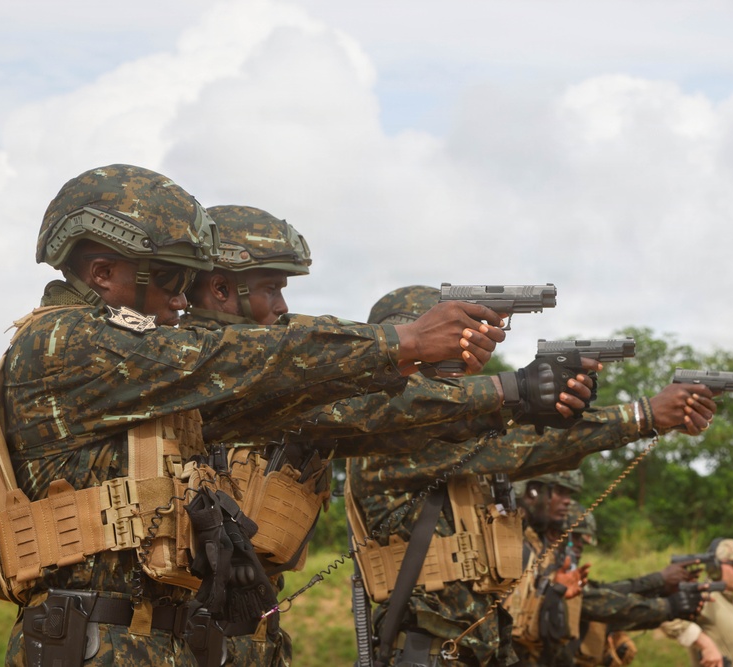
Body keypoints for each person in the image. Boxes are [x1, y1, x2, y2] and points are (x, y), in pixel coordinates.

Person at [0, 164, 507, 667]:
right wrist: (401, 340)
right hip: (94, 639)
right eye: (170, 280)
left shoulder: (137, 370)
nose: (183, 300)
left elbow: (284, 392)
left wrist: (432, 368)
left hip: (150, 641)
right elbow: (232, 359)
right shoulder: (65, 342)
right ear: (104, 273)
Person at [182, 206, 594, 666]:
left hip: (244, 631)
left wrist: (515, 400)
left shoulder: (268, 375)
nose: (281, 307)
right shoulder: (194, 365)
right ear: (220, 288)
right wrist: (513, 392)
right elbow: (386, 410)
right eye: (270, 289)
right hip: (188, 630)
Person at [344, 285, 719, 667]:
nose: (460, 351)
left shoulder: (445, 434)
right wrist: (641, 416)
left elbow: (525, 445)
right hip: (427, 652)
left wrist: (550, 407)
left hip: (475, 648)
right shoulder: (384, 435)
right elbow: (519, 447)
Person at [557, 501, 702, 667]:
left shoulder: (569, 577)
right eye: (574, 538)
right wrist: (667, 604)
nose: (579, 546)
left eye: (581, 540)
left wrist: (663, 590)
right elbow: (600, 603)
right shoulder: (546, 571)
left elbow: (607, 595)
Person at [660, 538, 733, 667]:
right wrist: (705, 643)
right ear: (715, 567)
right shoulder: (706, 596)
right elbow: (664, 616)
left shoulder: (729, 601)